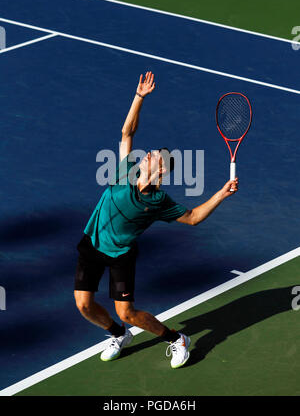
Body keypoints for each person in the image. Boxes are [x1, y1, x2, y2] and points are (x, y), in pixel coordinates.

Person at [74, 71, 238, 369]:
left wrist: (220, 194)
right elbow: (127, 133)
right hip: (93, 242)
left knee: (127, 312)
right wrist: (139, 98)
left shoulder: (158, 201)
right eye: (148, 154)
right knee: (84, 305)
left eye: (153, 157)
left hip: (121, 254)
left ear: (161, 171)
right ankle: (117, 335)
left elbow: (192, 218)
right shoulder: (125, 171)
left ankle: (176, 339)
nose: (146, 156)